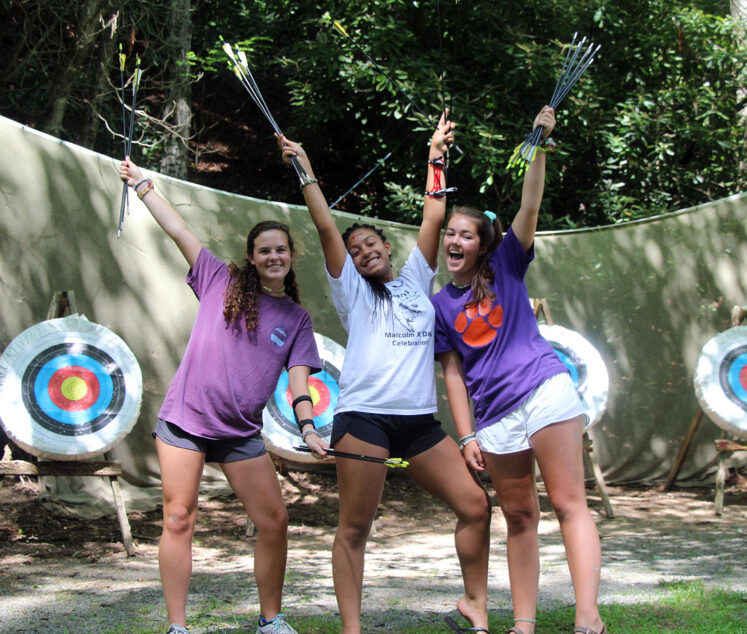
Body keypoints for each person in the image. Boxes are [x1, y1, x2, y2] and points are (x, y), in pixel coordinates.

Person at [277, 114, 493, 634]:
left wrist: (436, 156)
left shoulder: (418, 279)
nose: (365, 251)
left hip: (418, 422)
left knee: (476, 506)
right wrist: (304, 169)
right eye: (355, 251)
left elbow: (435, 215)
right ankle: (352, 629)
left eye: (372, 244)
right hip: (364, 421)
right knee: (354, 527)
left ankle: (474, 603)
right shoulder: (350, 291)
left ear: (388, 249)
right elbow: (327, 225)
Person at [119, 158, 321, 634]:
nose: (273, 257)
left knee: (274, 520)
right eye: (264, 250)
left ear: (292, 256)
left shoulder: (297, 319)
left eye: (281, 250)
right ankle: (178, 627)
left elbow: (299, 384)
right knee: (178, 517)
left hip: (239, 434)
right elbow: (177, 230)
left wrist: (308, 428)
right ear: (251, 257)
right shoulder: (219, 279)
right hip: (185, 421)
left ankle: (270, 620)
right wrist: (142, 184)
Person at [430, 106, 605, 634]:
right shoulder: (440, 304)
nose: (454, 241)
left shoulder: (507, 262)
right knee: (520, 518)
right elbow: (453, 375)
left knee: (570, 504)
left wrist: (540, 143)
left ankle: (587, 618)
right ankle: (523, 624)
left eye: (465, 235)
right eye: (449, 234)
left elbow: (530, 203)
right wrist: (466, 436)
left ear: (483, 245)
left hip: (546, 393)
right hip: (495, 419)